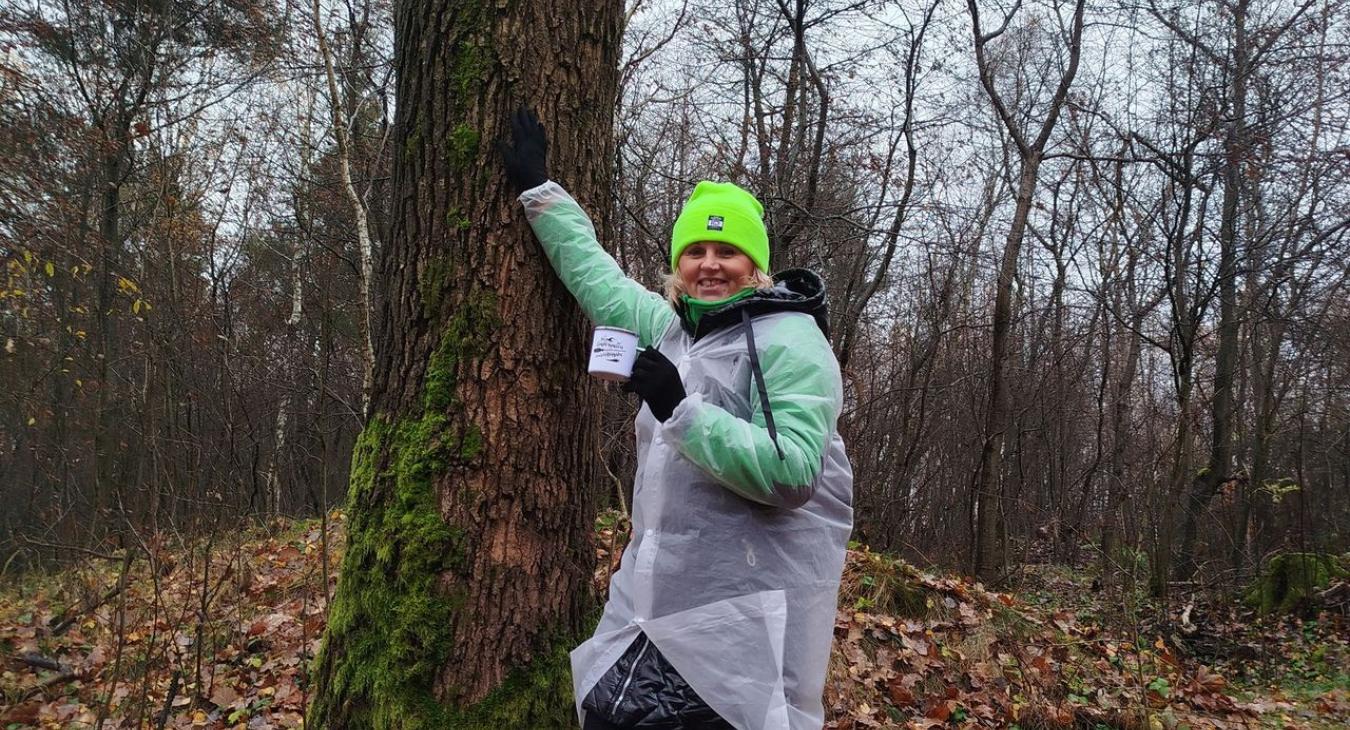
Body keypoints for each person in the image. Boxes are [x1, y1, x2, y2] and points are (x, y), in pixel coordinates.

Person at [501, 108, 853, 730]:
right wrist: (538, 191)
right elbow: (597, 278)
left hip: (741, 624)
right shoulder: (673, 329)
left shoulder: (790, 342)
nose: (709, 265)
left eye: (728, 252)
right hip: (655, 602)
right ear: (677, 265)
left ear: (757, 267)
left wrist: (681, 411)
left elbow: (794, 473)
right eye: (695, 251)